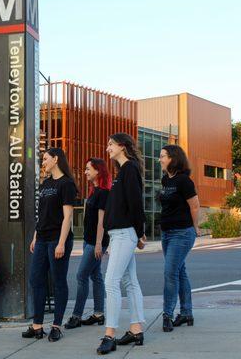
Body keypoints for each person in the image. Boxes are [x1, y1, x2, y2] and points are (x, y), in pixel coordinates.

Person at [97, 133, 147, 355]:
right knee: (130, 281)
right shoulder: (123, 171)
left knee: (111, 282)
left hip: (125, 233)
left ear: (122, 146)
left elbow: (136, 203)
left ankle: (109, 335)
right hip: (120, 234)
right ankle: (136, 329)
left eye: (110, 144)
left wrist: (139, 232)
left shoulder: (129, 169)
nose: (107, 148)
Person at [22, 147, 77, 342]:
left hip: (57, 239)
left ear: (55, 159)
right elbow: (42, 214)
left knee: (58, 280)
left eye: (45, 159)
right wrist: (36, 237)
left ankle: (56, 326)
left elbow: (67, 216)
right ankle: (37, 326)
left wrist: (61, 243)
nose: (43, 162)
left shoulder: (67, 184)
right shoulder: (45, 184)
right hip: (42, 238)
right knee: (36, 279)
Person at [158, 145, 200, 332]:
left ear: (173, 159)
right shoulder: (165, 179)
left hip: (182, 233)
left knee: (170, 273)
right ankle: (186, 313)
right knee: (180, 272)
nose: (160, 159)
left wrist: (195, 227)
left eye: (163, 156)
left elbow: (195, 206)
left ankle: (167, 314)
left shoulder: (184, 181)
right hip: (166, 233)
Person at [65, 158, 111, 329]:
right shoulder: (94, 191)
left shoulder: (104, 193)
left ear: (98, 171)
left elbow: (101, 222)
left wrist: (99, 244)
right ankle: (99, 314)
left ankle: (76, 316)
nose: (85, 172)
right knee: (95, 276)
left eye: (88, 169)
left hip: (95, 242)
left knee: (81, 276)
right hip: (88, 240)